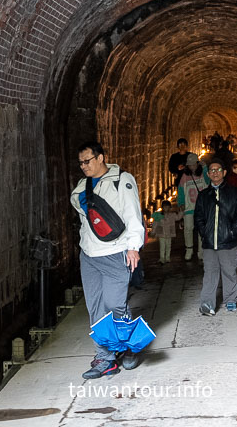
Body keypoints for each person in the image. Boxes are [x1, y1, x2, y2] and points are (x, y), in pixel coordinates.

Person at [70, 141, 147, 377]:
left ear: (101, 158)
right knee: (95, 308)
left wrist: (134, 247)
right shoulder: (83, 186)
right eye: (81, 163)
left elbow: (133, 214)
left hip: (115, 252)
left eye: (88, 161)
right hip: (89, 255)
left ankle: (131, 347)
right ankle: (105, 358)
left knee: (115, 303)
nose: (84, 166)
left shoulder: (121, 180)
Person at [194, 160, 237, 315]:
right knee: (210, 272)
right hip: (210, 242)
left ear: (224, 172)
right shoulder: (204, 195)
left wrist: (233, 231)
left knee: (229, 270)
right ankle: (207, 303)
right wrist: (205, 232)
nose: (215, 172)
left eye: (218, 169)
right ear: (208, 174)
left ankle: (231, 300)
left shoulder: (234, 193)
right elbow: (199, 217)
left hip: (228, 241)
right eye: (211, 170)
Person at [177, 155, 207, 260]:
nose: (191, 167)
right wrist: (180, 203)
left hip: (202, 207)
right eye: (189, 165)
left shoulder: (203, 174)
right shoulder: (185, 176)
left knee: (201, 229)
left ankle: (201, 252)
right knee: (188, 228)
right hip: (189, 206)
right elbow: (180, 190)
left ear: (197, 163)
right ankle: (189, 250)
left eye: (193, 164)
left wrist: (205, 168)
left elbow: (208, 181)